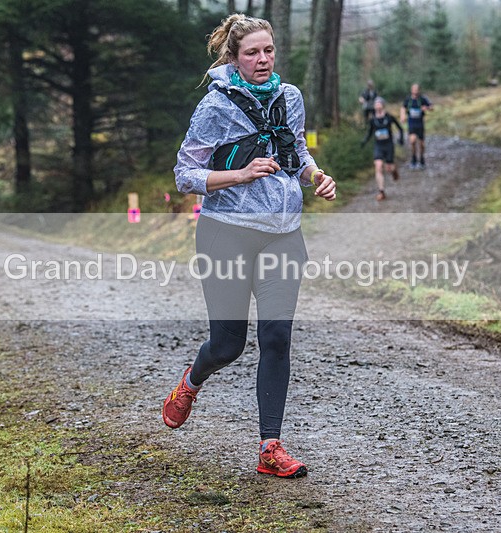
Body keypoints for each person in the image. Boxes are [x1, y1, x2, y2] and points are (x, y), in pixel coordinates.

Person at [164, 13, 336, 479]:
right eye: (252, 53)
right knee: (228, 344)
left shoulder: (290, 97)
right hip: (226, 233)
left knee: (277, 338)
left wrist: (316, 176)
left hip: (283, 233)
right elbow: (185, 175)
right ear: (234, 57)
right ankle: (191, 382)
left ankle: (269, 447)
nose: (263, 60)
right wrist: (239, 175)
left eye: (268, 50)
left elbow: (295, 153)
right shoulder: (215, 106)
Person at [361, 97, 404, 201]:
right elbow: (370, 132)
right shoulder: (373, 120)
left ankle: (394, 171)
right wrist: (364, 141)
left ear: (383, 105)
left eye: (379, 103)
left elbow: (400, 128)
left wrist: (401, 138)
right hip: (378, 145)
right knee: (378, 166)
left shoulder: (389, 117)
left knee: (389, 168)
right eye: (376, 104)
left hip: (388, 145)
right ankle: (381, 191)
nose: (377, 105)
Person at [400, 83, 432, 169]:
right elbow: (403, 107)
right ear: (411, 90)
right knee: (413, 141)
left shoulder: (423, 99)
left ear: (419, 90)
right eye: (414, 89)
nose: (415, 91)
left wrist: (426, 108)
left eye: (416, 90)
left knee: (421, 144)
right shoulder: (408, 99)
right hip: (411, 124)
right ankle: (414, 158)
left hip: (420, 124)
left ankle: (421, 159)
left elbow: (431, 106)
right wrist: (402, 116)